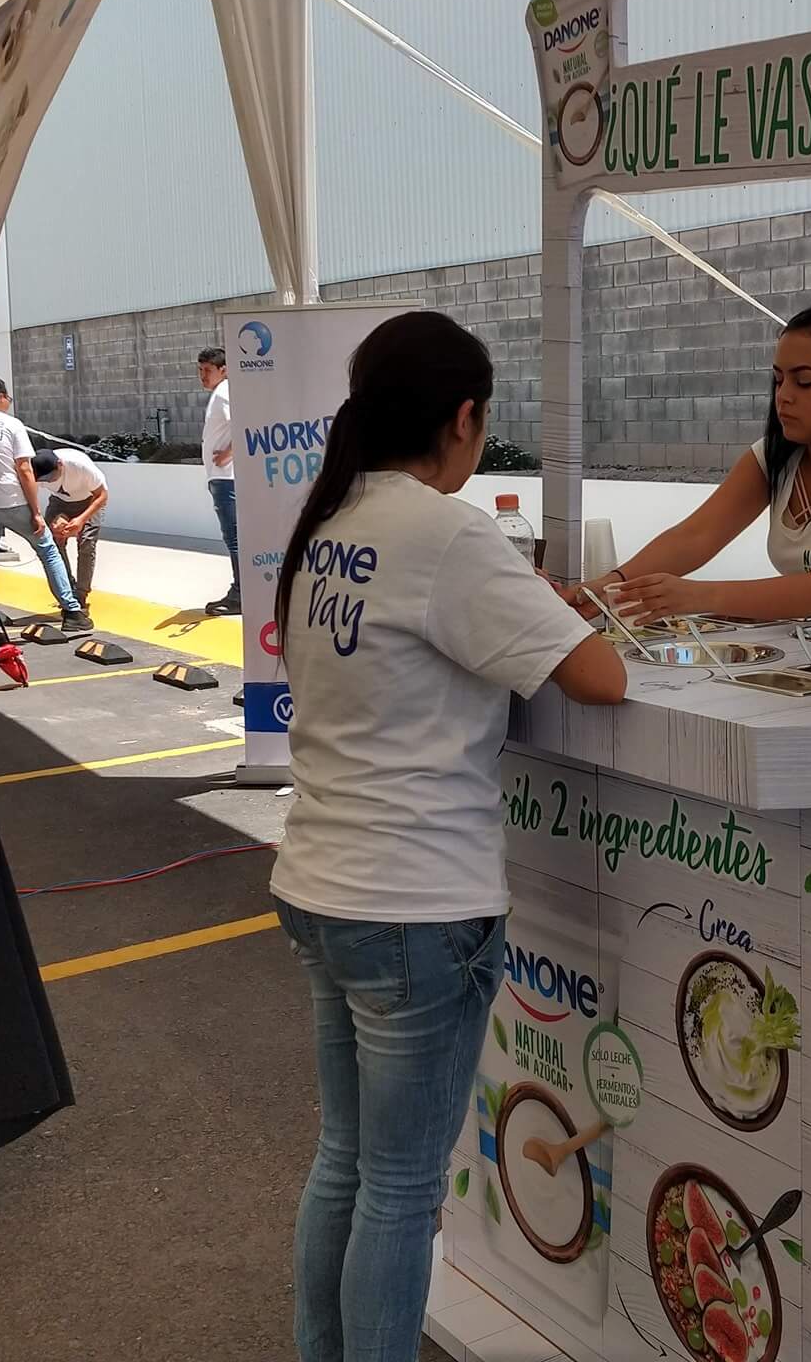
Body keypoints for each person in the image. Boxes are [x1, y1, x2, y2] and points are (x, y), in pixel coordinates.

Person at [268, 311, 626, 1362]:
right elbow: (600, 677)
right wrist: (556, 612)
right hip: (415, 906)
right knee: (400, 1188)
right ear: (463, 418)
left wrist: (523, 606)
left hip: (321, 883)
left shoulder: (332, 519)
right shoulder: (448, 534)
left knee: (346, 1161)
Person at [572, 298, 811, 625]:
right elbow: (695, 536)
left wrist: (695, 596)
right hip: (801, 651)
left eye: (804, 382)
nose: (784, 396)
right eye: (778, 380)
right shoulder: (773, 458)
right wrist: (610, 584)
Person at [0, 377, 92, 641]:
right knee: (47, 550)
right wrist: (36, 511)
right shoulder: (12, 424)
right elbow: (25, 469)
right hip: (12, 500)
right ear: (1, 396)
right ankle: (72, 612)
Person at [31, 446, 109, 610]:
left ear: (60, 464)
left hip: (90, 500)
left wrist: (81, 520)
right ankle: (67, 588)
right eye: (44, 479)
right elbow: (30, 494)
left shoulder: (79, 466)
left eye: (51, 476)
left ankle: (81, 593)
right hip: (59, 501)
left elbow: (102, 495)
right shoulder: (34, 472)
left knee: (86, 544)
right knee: (53, 542)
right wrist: (40, 516)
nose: (49, 481)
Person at [200, 346, 241, 615]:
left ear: (223, 370)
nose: (203, 375)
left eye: (208, 370)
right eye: (200, 370)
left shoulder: (224, 392)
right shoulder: (221, 392)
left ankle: (240, 594)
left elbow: (242, 424)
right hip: (222, 478)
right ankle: (240, 591)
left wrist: (229, 453)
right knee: (233, 537)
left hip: (227, 479)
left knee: (234, 538)